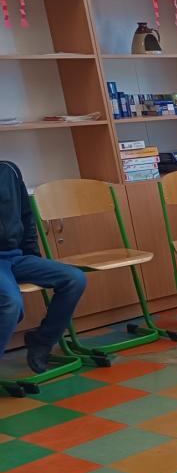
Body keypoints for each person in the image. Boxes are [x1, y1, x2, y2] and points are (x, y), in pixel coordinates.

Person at [0, 160, 87, 374]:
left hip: (17, 257)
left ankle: (42, 341)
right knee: (11, 304)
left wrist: (33, 256)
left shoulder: (9, 170)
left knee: (74, 279)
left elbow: (26, 216)